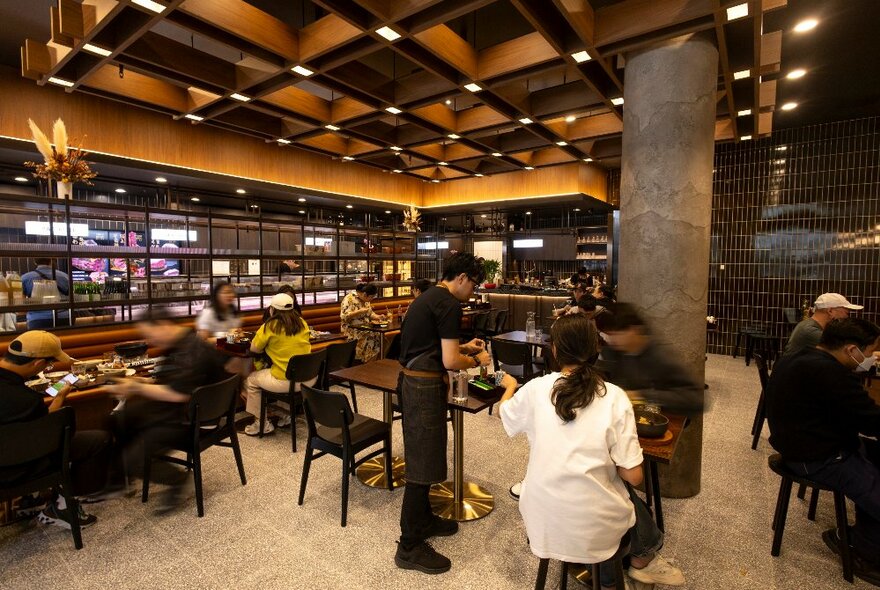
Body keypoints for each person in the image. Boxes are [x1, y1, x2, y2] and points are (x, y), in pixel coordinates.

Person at [499, 315, 684, 589]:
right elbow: (634, 476)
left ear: (554, 351)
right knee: (614, 490)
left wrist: (510, 388)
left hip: (541, 518)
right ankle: (628, 568)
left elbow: (506, 414)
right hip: (596, 529)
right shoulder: (614, 397)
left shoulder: (536, 389)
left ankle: (614, 564)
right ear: (596, 350)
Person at [394, 252, 491, 574]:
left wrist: (464, 348)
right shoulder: (449, 304)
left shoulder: (428, 298)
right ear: (462, 277)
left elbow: (429, 346)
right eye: (474, 283)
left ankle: (423, 521)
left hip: (413, 382)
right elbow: (450, 363)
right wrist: (477, 361)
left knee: (428, 455)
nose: (473, 291)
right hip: (423, 388)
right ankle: (409, 546)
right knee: (422, 464)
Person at [766, 318, 880, 577]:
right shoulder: (831, 373)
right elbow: (871, 420)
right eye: (871, 352)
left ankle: (862, 538)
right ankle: (863, 553)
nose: (871, 358)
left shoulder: (800, 357)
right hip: (817, 456)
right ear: (852, 349)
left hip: (804, 443)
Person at [111, 312, 228, 511]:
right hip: (188, 413)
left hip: (195, 422)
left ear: (163, 324)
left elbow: (177, 394)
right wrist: (140, 382)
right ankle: (122, 477)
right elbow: (175, 383)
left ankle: (180, 480)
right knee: (119, 419)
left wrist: (136, 388)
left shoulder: (191, 351)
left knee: (133, 456)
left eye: (151, 334)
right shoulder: (183, 344)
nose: (150, 340)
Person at [0, 330, 111, 529]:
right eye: (48, 364)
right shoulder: (26, 400)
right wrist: (60, 398)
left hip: (8, 459)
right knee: (98, 440)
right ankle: (63, 504)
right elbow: (47, 432)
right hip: (17, 468)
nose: (48, 367)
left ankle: (30, 500)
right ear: (36, 364)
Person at [594, 302, 703, 416]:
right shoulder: (613, 351)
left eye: (615, 334)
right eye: (609, 335)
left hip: (656, 421)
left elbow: (696, 399)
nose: (611, 340)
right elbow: (598, 378)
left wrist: (641, 395)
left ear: (634, 330)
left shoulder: (661, 356)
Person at [243, 293, 312, 436]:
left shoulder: (270, 326)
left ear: (272, 310)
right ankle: (285, 416)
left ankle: (261, 424)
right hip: (309, 378)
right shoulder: (302, 322)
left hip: (288, 381)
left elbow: (254, 349)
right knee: (283, 370)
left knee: (250, 380)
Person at [783, 292, 863, 357]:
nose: (847, 317)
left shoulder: (815, 327)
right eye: (846, 313)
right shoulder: (810, 330)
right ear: (830, 311)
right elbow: (843, 351)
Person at [340, 283, 386, 363]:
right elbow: (344, 317)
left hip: (365, 328)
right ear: (365, 294)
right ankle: (363, 364)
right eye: (371, 297)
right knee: (372, 338)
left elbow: (370, 313)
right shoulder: (349, 299)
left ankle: (370, 364)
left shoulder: (365, 300)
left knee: (381, 338)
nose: (371, 299)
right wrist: (359, 312)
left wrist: (378, 317)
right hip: (351, 330)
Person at [21, 258, 70, 329]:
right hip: (65, 318)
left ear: (35, 262)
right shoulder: (65, 276)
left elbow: (21, 308)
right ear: (51, 261)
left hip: (37, 320)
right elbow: (72, 297)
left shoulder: (25, 278)